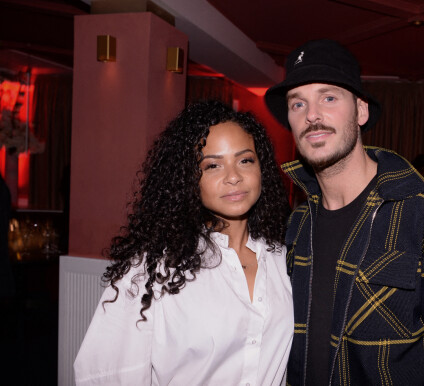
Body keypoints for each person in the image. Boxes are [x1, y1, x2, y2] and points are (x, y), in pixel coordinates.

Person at [264, 39, 424, 385]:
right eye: (298, 103)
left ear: (361, 111)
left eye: (328, 97)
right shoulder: (297, 225)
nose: (312, 115)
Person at [74, 100, 293, 385]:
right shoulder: (151, 272)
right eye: (212, 165)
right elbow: (104, 376)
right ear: (188, 178)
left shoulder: (283, 259)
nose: (234, 177)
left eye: (245, 160)